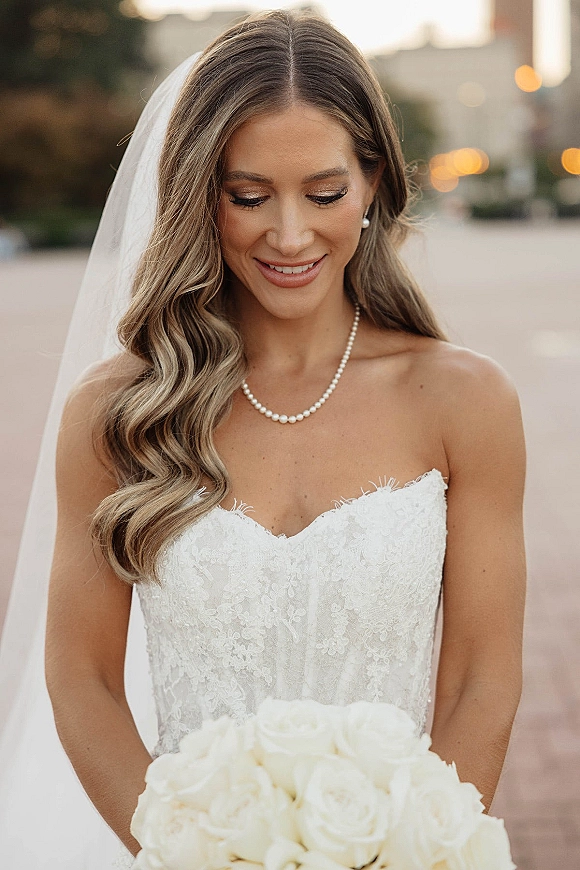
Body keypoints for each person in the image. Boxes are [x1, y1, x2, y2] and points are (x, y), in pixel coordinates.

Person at [0, 10, 526, 868]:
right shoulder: (119, 412)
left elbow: (481, 680)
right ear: (198, 195)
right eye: (248, 196)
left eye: (324, 194)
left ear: (373, 185)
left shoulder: (464, 402)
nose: (288, 234)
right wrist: (192, 854)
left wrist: (414, 850)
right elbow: (83, 681)